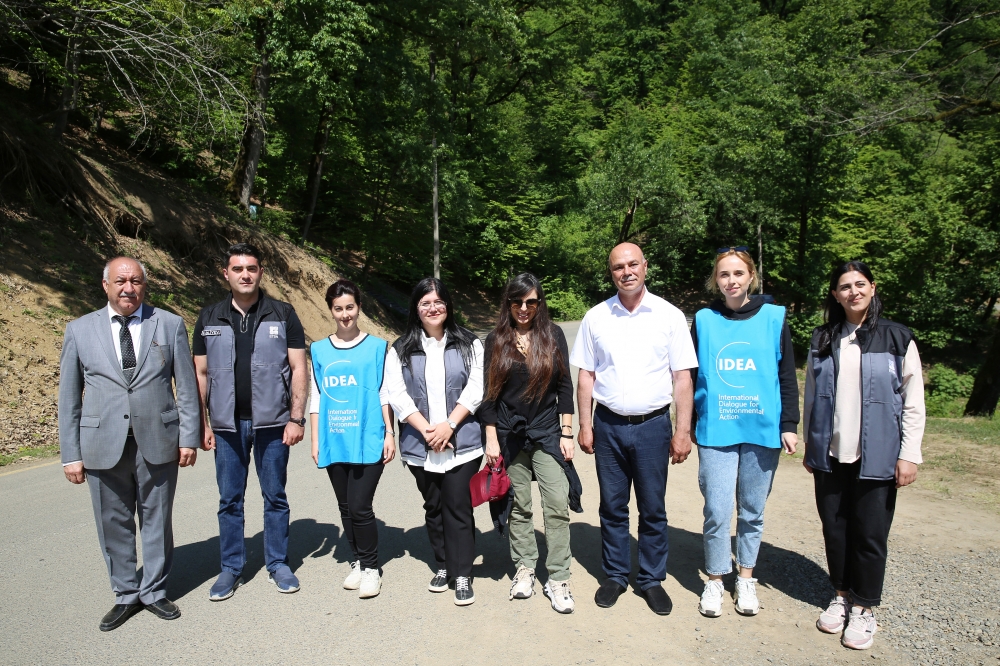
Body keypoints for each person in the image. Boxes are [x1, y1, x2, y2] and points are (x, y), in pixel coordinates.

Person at [58, 256, 200, 631]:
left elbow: (186, 388)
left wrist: (189, 437)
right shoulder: (79, 329)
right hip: (101, 444)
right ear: (105, 285)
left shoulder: (168, 324)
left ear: (144, 286)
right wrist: (70, 454)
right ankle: (125, 594)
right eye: (120, 281)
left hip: (159, 440)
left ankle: (153, 591)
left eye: (136, 281)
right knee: (113, 523)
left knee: (157, 520)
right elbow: (69, 399)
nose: (128, 288)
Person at [570, 243, 699, 615]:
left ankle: (651, 579)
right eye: (618, 267)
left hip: (653, 427)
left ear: (645, 266)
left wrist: (682, 431)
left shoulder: (669, 316)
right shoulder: (596, 317)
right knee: (612, 507)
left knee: (653, 508)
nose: (626, 272)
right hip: (607, 425)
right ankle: (615, 575)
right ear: (610, 272)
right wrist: (584, 425)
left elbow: (683, 378)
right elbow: (586, 376)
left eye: (632, 264)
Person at [803, 260, 925, 651]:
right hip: (831, 454)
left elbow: (913, 402)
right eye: (844, 286)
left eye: (859, 284)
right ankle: (841, 595)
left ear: (872, 288)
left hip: (879, 455)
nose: (853, 292)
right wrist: (811, 445)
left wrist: (909, 454)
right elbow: (811, 396)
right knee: (834, 529)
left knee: (870, 534)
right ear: (835, 295)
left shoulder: (897, 338)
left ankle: (864, 607)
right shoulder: (823, 337)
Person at [193, 243, 309, 600]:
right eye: (238, 269)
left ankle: (278, 563)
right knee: (230, 499)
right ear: (225, 273)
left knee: (275, 496)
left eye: (251, 268)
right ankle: (231, 568)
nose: (245, 275)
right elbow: (199, 374)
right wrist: (202, 424)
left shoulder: (283, 314)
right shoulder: (209, 317)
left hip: (273, 425)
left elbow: (298, 367)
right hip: (227, 427)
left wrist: (296, 418)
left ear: (261, 272)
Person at [689, 247, 799, 618]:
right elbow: (690, 375)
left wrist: (789, 425)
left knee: (752, 511)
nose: (731, 280)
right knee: (717, 510)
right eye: (724, 274)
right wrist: (686, 423)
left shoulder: (774, 317)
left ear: (751, 276)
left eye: (738, 273)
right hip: (716, 428)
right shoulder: (704, 320)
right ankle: (716, 579)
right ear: (715, 280)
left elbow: (786, 376)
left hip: (761, 428)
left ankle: (746, 578)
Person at [480, 273, 582, 614]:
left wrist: (567, 432)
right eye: (517, 302)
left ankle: (558, 578)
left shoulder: (552, 334)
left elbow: (565, 386)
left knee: (556, 502)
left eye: (531, 302)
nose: (524, 308)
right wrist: (491, 438)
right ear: (508, 303)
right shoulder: (495, 339)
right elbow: (489, 394)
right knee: (519, 505)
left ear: (540, 304)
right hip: (509, 435)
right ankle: (525, 568)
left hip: (547, 431)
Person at [382, 277, 485, 606]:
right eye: (425, 303)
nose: (432, 308)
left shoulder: (469, 343)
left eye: (438, 301)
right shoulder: (400, 349)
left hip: (462, 442)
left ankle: (462, 572)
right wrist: (429, 431)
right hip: (420, 443)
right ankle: (443, 564)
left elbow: (477, 388)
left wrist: (449, 426)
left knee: (458, 505)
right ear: (416, 308)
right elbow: (397, 395)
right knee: (433, 506)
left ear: (448, 305)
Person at [308, 279, 395, 599]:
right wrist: (315, 440)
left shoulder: (377, 348)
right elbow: (317, 398)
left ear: (359, 307)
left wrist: (390, 433)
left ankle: (371, 568)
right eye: (338, 308)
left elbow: (384, 393)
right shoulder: (319, 349)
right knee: (345, 506)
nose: (345, 314)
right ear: (330, 310)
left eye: (350, 307)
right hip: (334, 437)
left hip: (368, 435)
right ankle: (358, 561)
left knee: (360, 506)